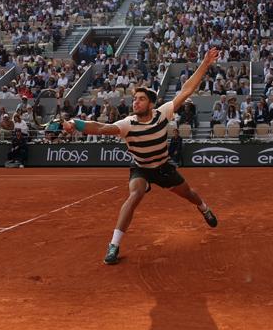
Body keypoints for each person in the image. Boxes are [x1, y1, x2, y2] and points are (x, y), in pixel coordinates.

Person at [63, 48, 220, 266]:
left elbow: (186, 90)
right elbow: (100, 128)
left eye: (141, 99)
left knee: (189, 194)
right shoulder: (128, 123)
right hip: (141, 168)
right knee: (134, 195)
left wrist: (205, 63)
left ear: (151, 104)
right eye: (135, 99)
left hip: (163, 167)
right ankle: (114, 246)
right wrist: (75, 124)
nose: (135, 102)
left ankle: (203, 207)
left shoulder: (163, 113)